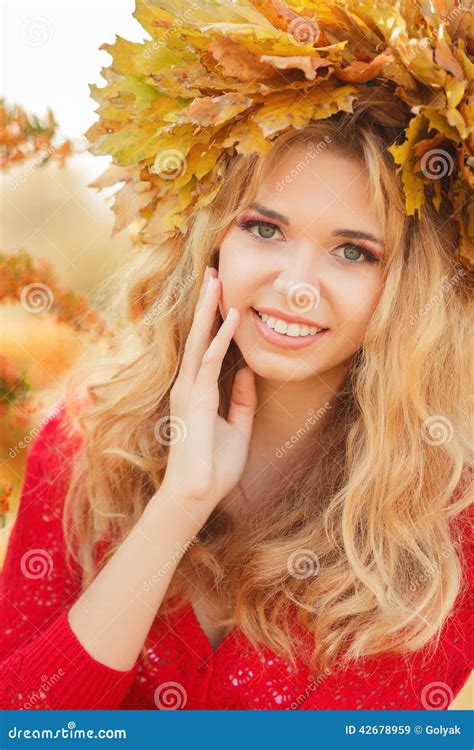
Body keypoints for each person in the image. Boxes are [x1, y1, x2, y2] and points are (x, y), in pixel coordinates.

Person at [0, 0, 472, 711]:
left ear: (405, 291)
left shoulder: (443, 535)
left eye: (353, 251)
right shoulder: (83, 445)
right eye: (265, 228)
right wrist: (178, 505)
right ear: (216, 239)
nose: (295, 287)